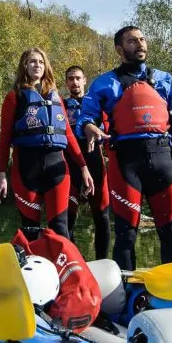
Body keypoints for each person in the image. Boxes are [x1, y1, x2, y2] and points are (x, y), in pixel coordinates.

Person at [77, 27, 172, 271]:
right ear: (120, 50)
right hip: (125, 163)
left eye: (142, 39)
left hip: (163, 159)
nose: (140, 44)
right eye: (132, 41)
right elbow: (85, 116)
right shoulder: (104, 83)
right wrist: (89, 126)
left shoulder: (165, 81)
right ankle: (125, 296)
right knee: (126, 233)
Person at [0, 48, 93, 240]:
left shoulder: (56, 98)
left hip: (56, 167)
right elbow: (5, 138)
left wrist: (83, 166)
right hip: (26, 168)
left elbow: (69, 136)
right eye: (32, 62)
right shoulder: (14, 97)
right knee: (30, 230)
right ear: (24, 65)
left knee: (60, 228)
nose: (37, 65)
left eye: (40, 62)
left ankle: (63, 268)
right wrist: (1, 175)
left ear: (45, 66)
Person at [63, 65, 111, 260]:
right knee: (68, 218)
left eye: (78, 78)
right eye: (71, 79)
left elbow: (109, 130)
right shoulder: (61, 105)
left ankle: (102, 262)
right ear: (66, 83)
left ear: (85, 81)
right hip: (70, 162)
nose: (74, 82)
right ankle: (72, 263)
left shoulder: (97, 103)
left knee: (102, 216)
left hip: (95, 160)